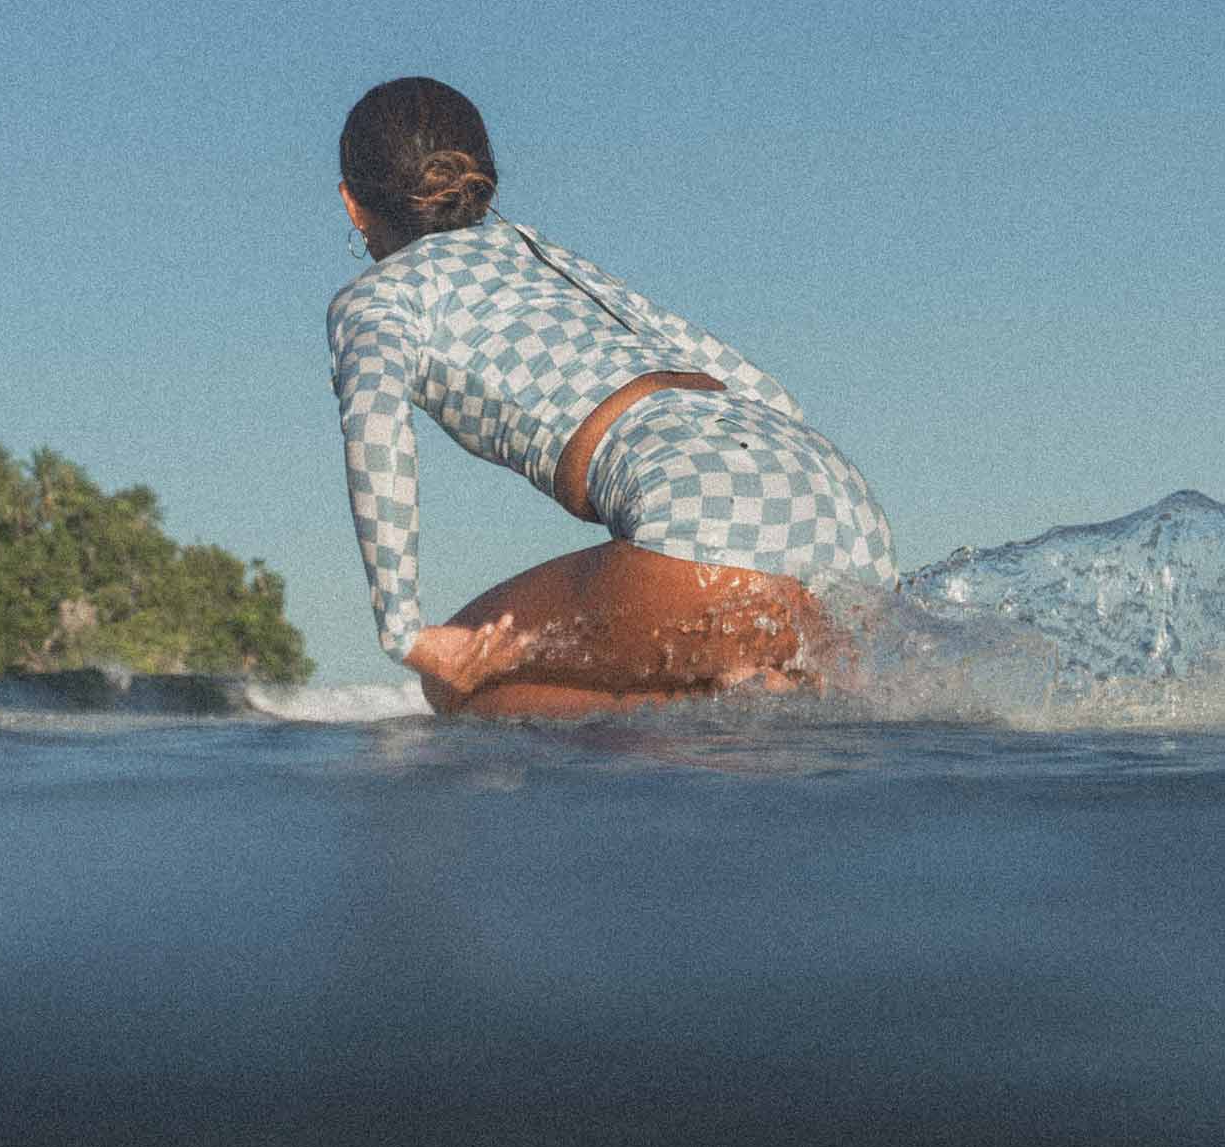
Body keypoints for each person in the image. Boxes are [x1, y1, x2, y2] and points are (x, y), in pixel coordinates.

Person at [329, 78, 896, 718]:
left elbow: (376, 431)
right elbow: (758, 386)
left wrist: (403, 627)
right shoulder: (540, 254)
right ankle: (747, 694)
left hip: (701, 517)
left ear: (353, 204)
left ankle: (719, 710)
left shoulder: (377, 298)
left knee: (459, 685)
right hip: (847, 510)